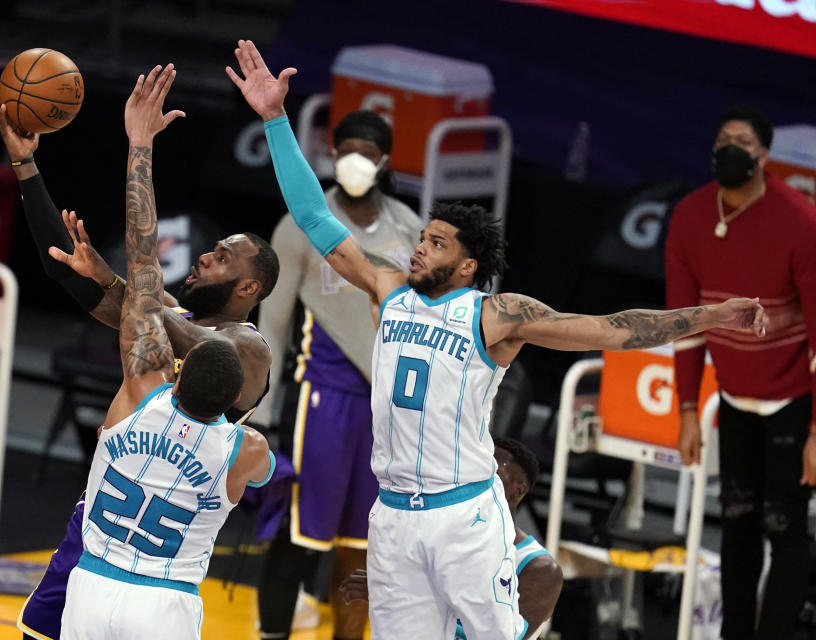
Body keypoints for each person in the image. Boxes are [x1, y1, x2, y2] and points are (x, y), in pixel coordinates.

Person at [225, 39, 767, 640]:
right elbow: (311, 215)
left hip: (463, 516)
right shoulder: (386, 286)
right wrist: (276, 119)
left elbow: (613, 329)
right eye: (422, 236)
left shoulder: (495, 315)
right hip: (396, 514)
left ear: (464, 268)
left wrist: (711, 317)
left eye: (436, 243)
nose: (419, 246)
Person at [0, 78, 280, 640]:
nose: (203, 254)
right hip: (100, 532)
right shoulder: (173, 320)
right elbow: (58, 267)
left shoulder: (249, 355)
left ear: (248, 289)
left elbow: (155, 311)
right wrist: (27, 168)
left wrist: (126, 291)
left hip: (155, 560)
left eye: (222, 258)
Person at [253, 110, 422, 640]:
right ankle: (271, 631)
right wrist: (258, 411)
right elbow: (273, 322)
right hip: (321, 396)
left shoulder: (409, 226)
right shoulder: (303, 222)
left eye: (366, 153)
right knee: (301, 534)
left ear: (385, 161)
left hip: (386, 406)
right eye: (344, 149)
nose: (354, 161)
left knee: (363, 543)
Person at [666, 105, 816, 640]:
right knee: (736, 524)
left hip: (793, 401)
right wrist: (687, 410)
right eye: (723, 138)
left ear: (764, 156)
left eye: (744, 141)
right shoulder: (688, 217)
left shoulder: (800, 222)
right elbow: (685, 326)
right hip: (733, 399)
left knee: (786, 529)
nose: (731, 148)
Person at [338, 437, 564, 640]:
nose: (477, 477)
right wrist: (391, 592)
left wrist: (400, 593)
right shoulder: (437, 538)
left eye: (491, 470)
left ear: (518, 490)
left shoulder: (541, 569)